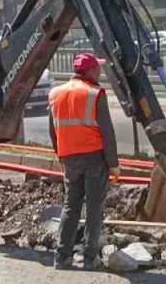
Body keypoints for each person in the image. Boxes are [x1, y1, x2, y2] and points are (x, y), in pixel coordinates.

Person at [49, 53, 120, 271]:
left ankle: (62, 256)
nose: (99, 72)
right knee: (94, 207)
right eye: (97, 69)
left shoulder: (55, 93)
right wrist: (113, 162)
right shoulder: (95, 93)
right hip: (94, 156)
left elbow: (54, 130)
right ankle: (90, 257)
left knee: (71, 205)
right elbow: (107, 131)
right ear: (89, 71)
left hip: (69, 157)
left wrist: (60, 155)